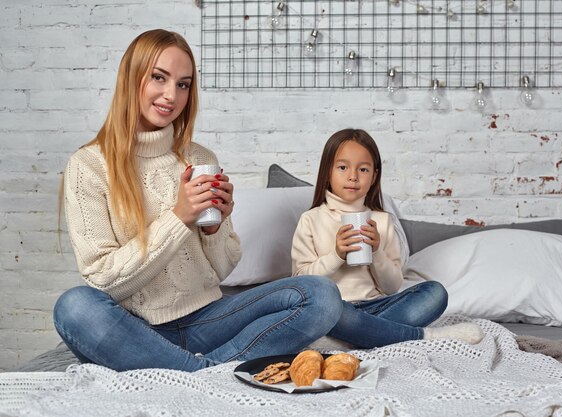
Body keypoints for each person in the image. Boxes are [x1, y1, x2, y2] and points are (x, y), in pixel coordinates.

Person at [53, 29, 343, 372]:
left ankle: (187, 373)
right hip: (134, 329)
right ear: (131, 78)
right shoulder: (88, 166)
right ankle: (208, 374)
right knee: (74, 307)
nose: (171, 95)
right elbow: (103, 280)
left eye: (183, 84)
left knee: (321, 296)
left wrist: (214, 229)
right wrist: (178, 218)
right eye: (158, 78)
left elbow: (222, 269)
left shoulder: (200, 157)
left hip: (208, 319)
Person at [291, 128, 484, 348]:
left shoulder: (382, 221)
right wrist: (336, 255)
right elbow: (301, 283)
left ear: (374, 176)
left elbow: (392, 287)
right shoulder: (311, 219)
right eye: (343, 167)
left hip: (378, 306)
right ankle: (422, 337)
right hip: (335, 310)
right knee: (325, 310)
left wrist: (377, 252)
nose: (353, 176)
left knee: (435, 293)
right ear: (327, 172)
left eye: (363, 169)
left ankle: (354, 338)